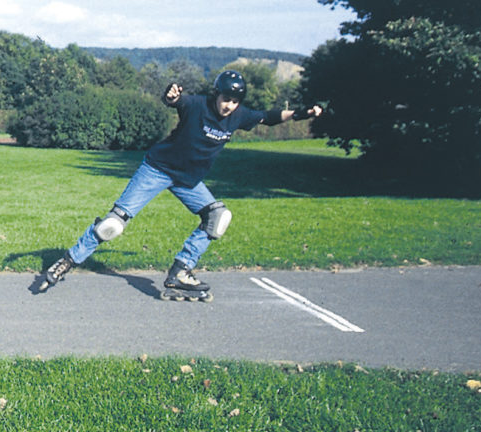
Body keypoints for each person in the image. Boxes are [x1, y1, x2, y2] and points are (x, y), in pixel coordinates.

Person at [40, 70, 322, 300]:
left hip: (188, 181)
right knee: (113, 224)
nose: (229, 106)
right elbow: (175, 101)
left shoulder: (238, 116)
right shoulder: (197, 105)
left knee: (217, 217)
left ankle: (181, 271)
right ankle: (67, 261)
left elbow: (270, 116)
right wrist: (171, 95)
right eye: (225, 99)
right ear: (216, 94)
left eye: (234, 102)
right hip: (157, 169)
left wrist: (303, 113)